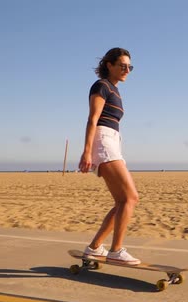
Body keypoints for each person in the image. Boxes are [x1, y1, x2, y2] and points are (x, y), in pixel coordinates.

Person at [78, 47, 140, 265]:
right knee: (131, 198)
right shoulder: (102, 86)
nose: (127, 70)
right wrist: (87, 152)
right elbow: (92, 119)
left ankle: (94, 248)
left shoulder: (114, 89)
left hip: (112, 141)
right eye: (122, 65)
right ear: (109, 65)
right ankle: (115, 250)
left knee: (122, 201)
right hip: (103, 140)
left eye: (129, 66)